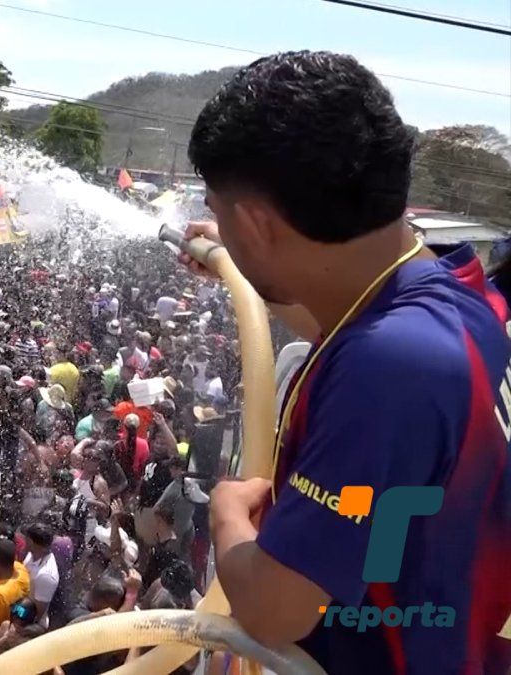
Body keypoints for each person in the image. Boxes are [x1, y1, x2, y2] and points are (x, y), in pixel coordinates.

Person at [187, 51, 511, 674]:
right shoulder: (453, 299)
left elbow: (276, 608)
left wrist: (226, 511)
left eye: (219, 208)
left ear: (257, 223)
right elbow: (345, 324)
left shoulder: (392, 367)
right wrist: (251, 258)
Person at [21, 522, 59, 626]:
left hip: (29, 623)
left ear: (31, 542)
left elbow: (37, 613)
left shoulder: (45, 576)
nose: (24, 539)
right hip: (20, 607)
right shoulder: (31, 555)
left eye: (26, 538)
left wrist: (14, 612)